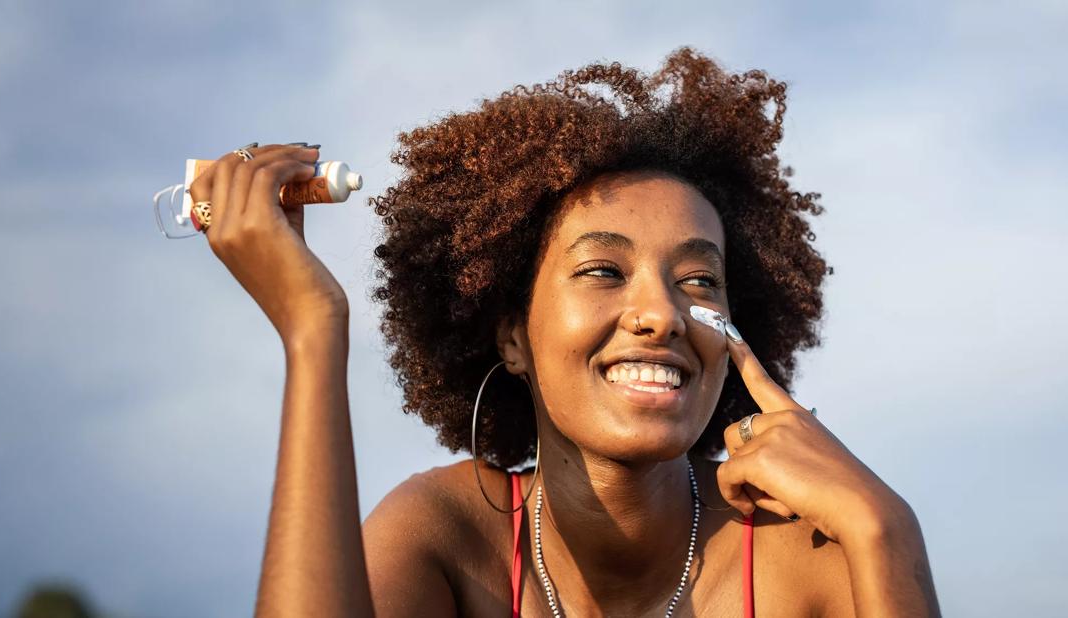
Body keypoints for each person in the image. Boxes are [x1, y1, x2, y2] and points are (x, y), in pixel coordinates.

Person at [185, 48, 940, 617]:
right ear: (510, 336)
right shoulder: (444, 536)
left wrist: (886, 530)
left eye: (699, 282)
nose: (662, 314)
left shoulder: (803, 553)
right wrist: (314, 333)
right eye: (603, 272)